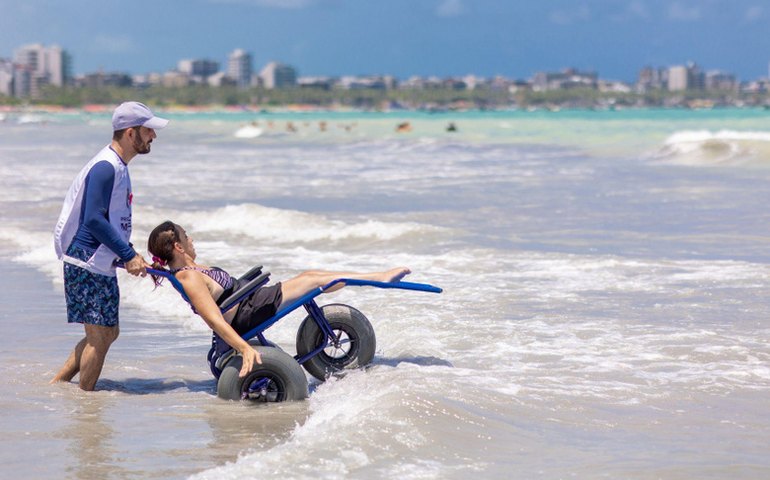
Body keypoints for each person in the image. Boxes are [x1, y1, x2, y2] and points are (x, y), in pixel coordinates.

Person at [147, 221, 411, 378]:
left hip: (251, 301)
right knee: (314, 281)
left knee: (311, 275)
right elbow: (213, 319)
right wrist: (244, 349)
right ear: (178, 247)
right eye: (186, 236)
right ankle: (379, 278)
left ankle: (376, 277)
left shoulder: (190, 270)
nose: (191, 239)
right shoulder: (188, 277)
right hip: (249, 311)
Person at [51, 101, 169, 390]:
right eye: (148, 130)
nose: (153, 136)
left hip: (97, 261)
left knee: (109, 332)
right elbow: (92, 219)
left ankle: (58, 385)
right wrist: (127, 254)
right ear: (130, 133)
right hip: (86, 261)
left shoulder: (118, 166)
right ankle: (86, 403)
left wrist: (130, 253)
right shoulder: (106, 167)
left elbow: (112, 219)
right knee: (99, 336)